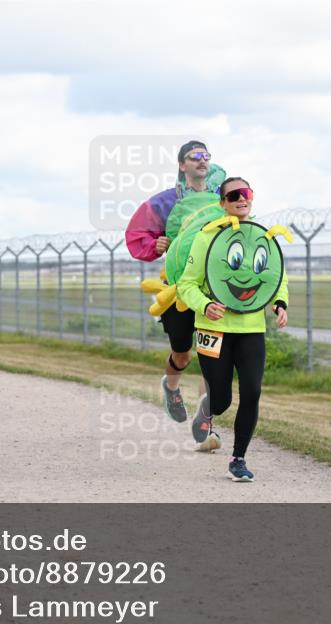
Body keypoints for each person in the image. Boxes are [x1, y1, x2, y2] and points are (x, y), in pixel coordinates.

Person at [177, 177, 290, 482]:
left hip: (251, 328)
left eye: (246, 193)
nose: (242, 199)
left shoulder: (262, 237)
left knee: (252, 391)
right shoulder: (207, 237)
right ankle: (207, 412)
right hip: (213, 328)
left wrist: (280, 303)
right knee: (222, 399)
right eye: (234, 195)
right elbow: (186, 284)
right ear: (222, 203)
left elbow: (276, 278)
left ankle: (238, 459)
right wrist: (204, 305)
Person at [125, 140, 226, 435]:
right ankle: (171, 388)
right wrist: (156, 244)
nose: (202, 160)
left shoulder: (221, 198)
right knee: (182, 354)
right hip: (178, 291)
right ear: (182, 165)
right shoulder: (166, 202)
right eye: (194, 157)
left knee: (211, 356)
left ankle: (204, 424)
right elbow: (136, 233)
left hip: (212, 290)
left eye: (206, 156)